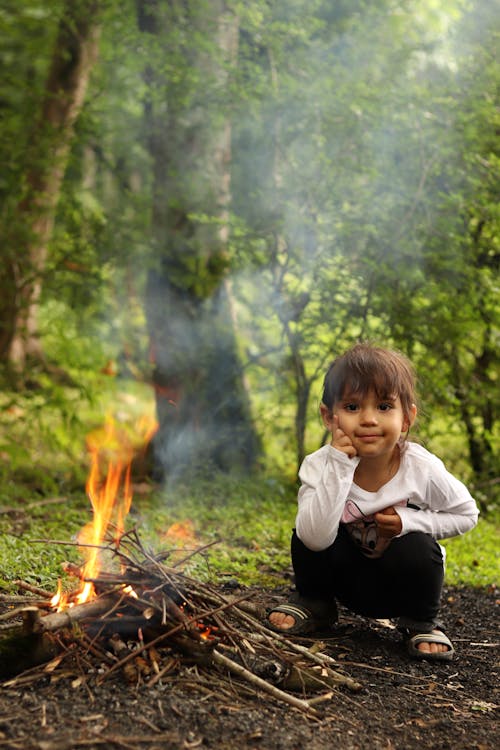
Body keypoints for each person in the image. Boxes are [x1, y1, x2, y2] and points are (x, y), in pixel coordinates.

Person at [268, 343, 479, 661]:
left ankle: (421, 622)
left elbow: (467, 514)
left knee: (419, 547)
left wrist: (409, 522)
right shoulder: (319, 465)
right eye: (352, 407)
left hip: (399, 585)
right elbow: (313, 538)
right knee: (306, 524)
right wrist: (339, 466)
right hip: (342, 578)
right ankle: (315, 603)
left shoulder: (421, 467)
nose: (368, 419)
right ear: (330, 417)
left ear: (407, 418)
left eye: (383, 406)